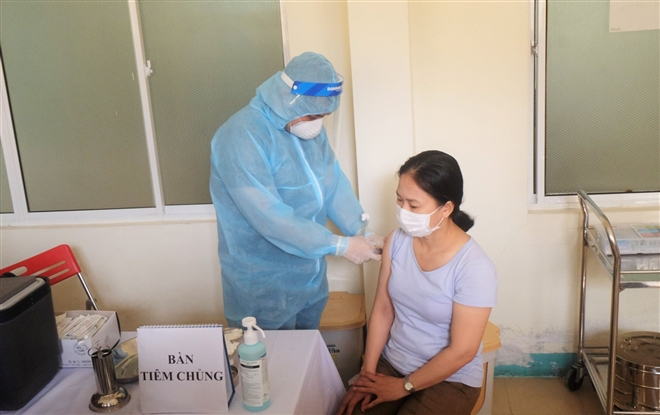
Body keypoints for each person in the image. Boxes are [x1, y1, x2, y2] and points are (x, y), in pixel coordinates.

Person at [210, 52, 383, 330]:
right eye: (313, 114)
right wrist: (340, 246)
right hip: (263, 288)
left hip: (309, 280)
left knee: (306, 353)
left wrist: (361, 229)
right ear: (288, 97)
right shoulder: (241, 137)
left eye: (323, 116)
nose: (317, 124)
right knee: (270, 358)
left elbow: (333, 185)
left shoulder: (308, 130)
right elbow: (269, 217)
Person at [337, 150, 498, 415]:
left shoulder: (474, 267)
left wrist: (404, 386)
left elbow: (463, 351)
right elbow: (383, 309)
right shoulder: (397, 241)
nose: (403, 211)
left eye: (413, 205)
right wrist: (367, 372)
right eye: (399, 200)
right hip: (394, 361)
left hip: (450, 378)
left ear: (446, 208)